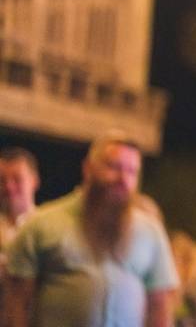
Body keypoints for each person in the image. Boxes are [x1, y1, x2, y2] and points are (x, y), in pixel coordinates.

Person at [4, 130, 179, 327]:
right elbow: (17, 303)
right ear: (88, 168)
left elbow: (160, 307)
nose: (123, 179)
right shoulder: (40, 225)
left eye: (132, 171)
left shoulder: (150, 233)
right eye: (114, 167)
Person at [0, 147, 39, 254]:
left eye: (17, 179)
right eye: (2, 179)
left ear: (34, 181)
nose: (8, 186)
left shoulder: (47, 227)